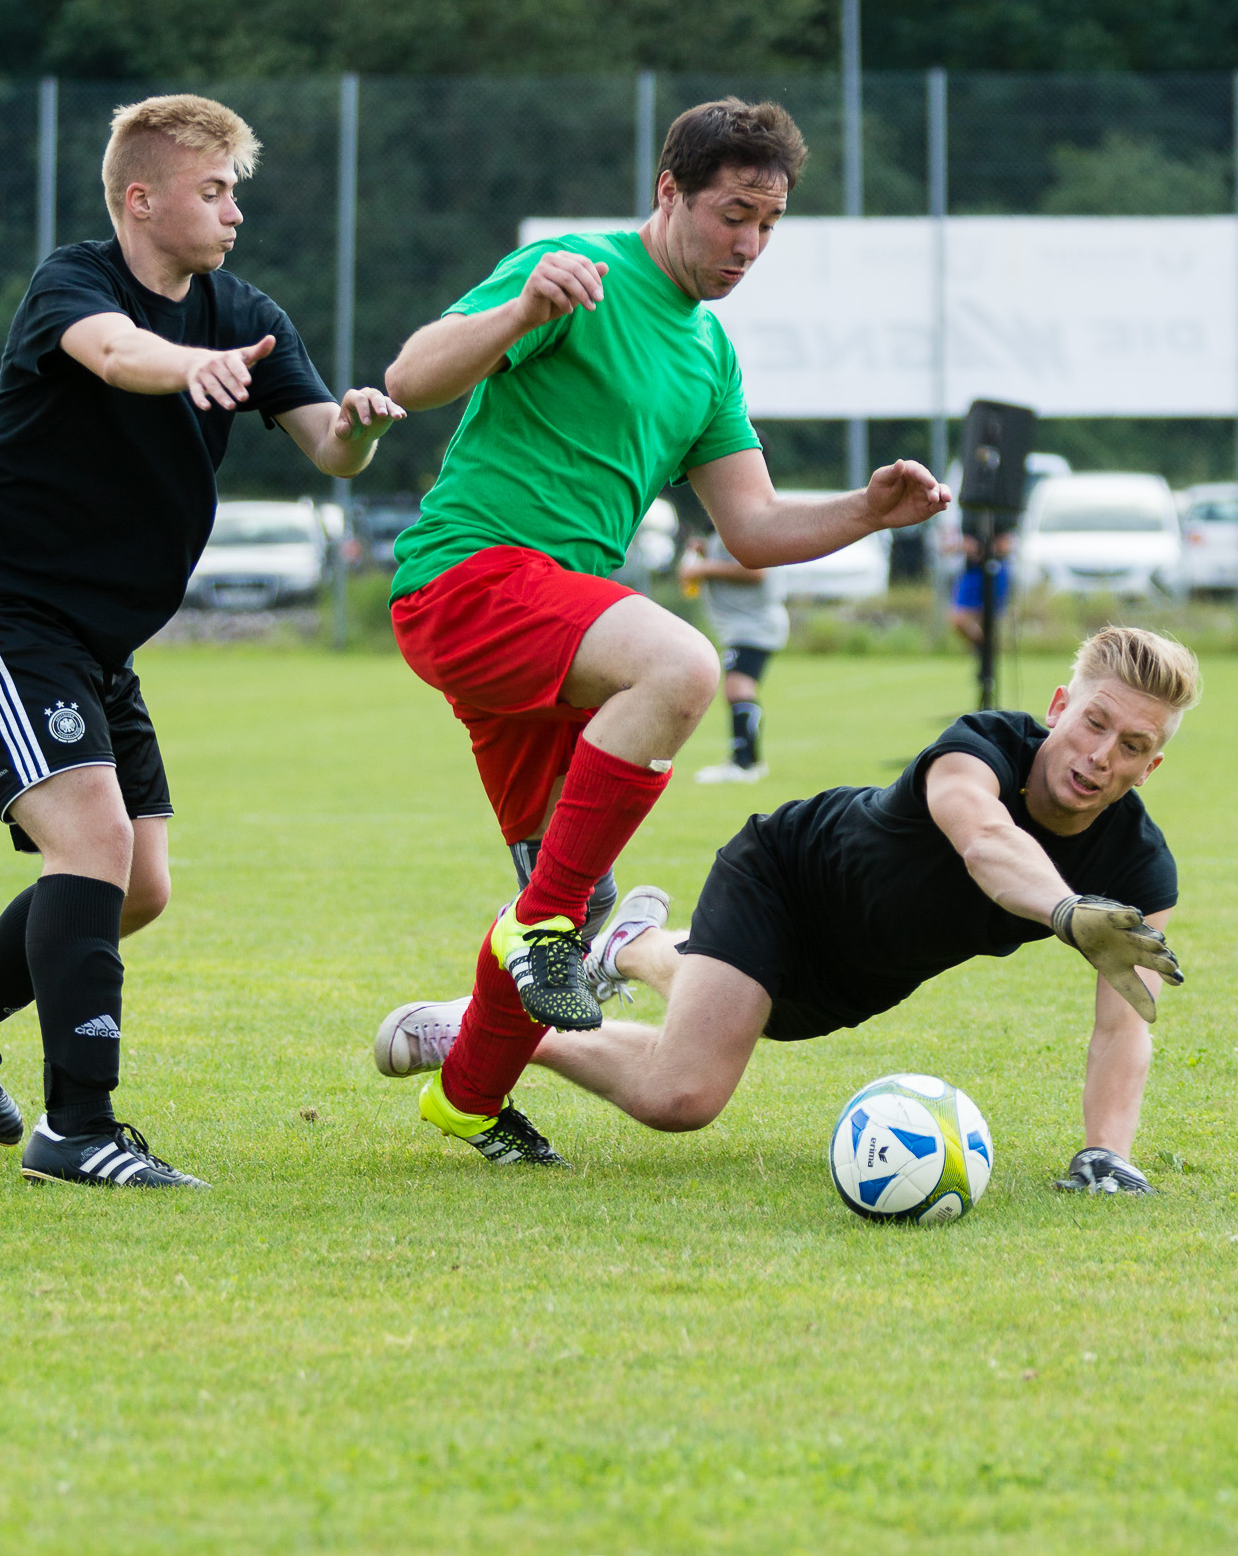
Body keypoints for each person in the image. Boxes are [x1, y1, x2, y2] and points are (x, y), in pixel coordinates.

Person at [379, 95, 950, 1167]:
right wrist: (516, 314)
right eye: (734, 213)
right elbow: (410, 381)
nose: (749, 244)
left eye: (769, 224)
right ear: (669, 192)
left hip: (550, 629)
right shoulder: (574, 271)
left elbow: (755, 524)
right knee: (683, 665)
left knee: (568, 877)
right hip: (468, 580)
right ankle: (552, 930)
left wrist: (868, 510)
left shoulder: (709, 356)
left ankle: (468, 1092)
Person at [0, 93, 402, 1189]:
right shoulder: (73, 282)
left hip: (92, 639)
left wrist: (352, 422)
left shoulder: (246, 308)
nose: (233, 213)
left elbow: (327, 452)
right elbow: (115, 354)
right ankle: (78, 1126)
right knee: (92, 841)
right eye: (214, 192)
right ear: (141, 198)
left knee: (140, 884)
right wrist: (188, 367)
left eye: (234, 192)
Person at [376, 628, 1195, 1196]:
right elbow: (984, 841)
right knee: (681, 1095)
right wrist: (1063, 910)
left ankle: (631, 944)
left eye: (1130, 745)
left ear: (1151, 764)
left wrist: (1104, 1155)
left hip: (853, 978)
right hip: (785, 876)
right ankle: (493, 1028)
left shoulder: (1136, 867)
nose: (1098, 756)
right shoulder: (977, 746)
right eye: (1093, 722)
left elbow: (1124, 1022)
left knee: (728, 1017)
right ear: (1058, 705)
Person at [677, 531, 789, 783]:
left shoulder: (742, 531)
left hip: (753, 626)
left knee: (738, 688)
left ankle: (744, 763)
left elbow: (755, 571)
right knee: (737, 689)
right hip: (746, 626)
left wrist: (706, 567)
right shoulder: (725, 536)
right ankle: (748, 762)